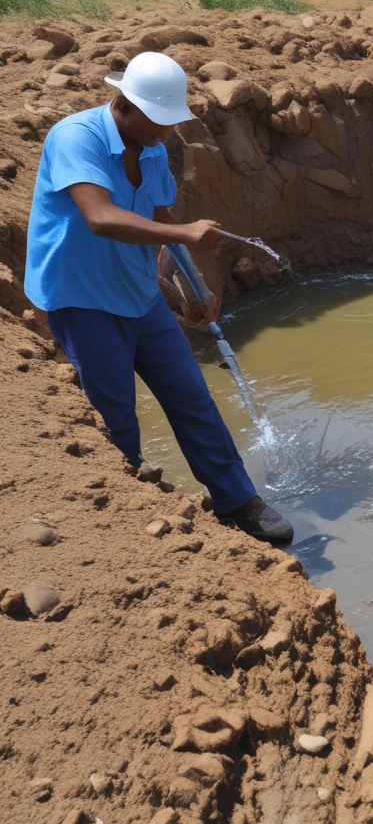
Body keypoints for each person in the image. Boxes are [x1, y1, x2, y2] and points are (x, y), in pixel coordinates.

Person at [24, 51, 293, 544]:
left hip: (138, 293)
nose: (166, 131)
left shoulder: (151, 148)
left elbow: (163, 227)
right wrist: (189, 233)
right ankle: (127, 518)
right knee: (115, 416)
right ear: (123, 103)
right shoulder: (75, 137)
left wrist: (189, 291)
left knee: (192, 398)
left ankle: (238, 500)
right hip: (82, 296)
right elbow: (101, 218)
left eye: (171, 122)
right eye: (158, 120)